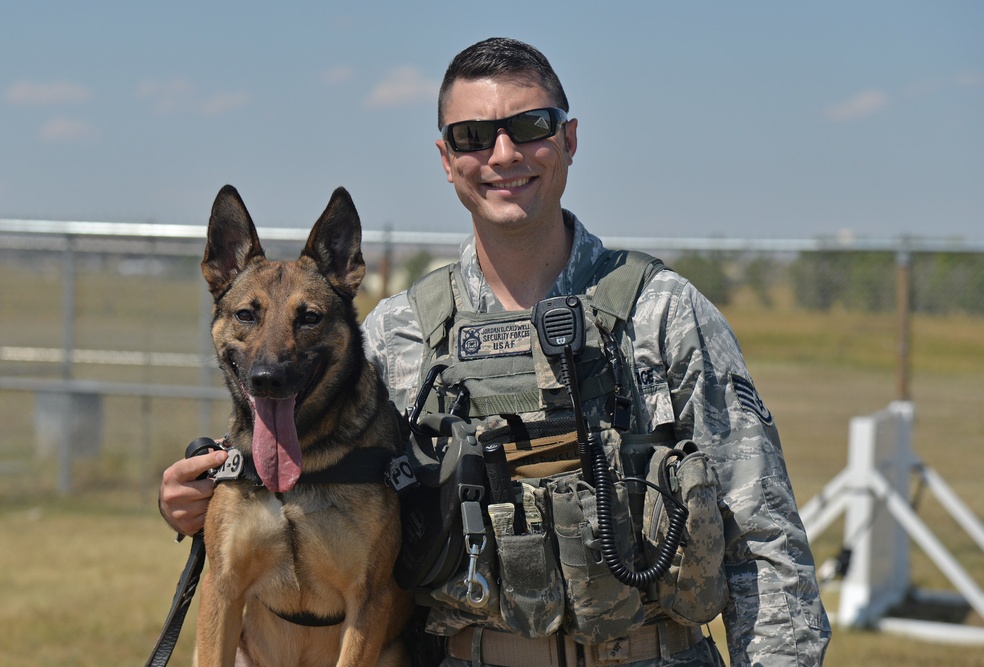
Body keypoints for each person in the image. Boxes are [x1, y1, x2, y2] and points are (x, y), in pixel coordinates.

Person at [160, 37, 831, 666]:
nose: (504, 154)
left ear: (569, 139)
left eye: (532, 126)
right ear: (447, 160)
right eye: (474, 137)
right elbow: (309, 507)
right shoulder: (396, 339)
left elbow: (765, 545)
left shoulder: (663, 314)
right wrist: (199, 497)